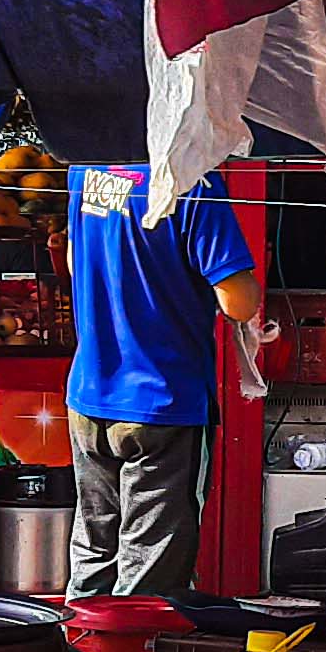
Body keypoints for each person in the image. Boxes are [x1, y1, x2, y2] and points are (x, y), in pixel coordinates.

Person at [64, 160, 262, 595]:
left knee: (94, 548)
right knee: (151, 561)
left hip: (89, 392)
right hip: (162, 399)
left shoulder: (86, 168)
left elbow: (75, 262)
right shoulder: (192, 178)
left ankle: (79, 651)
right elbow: (238, 301)